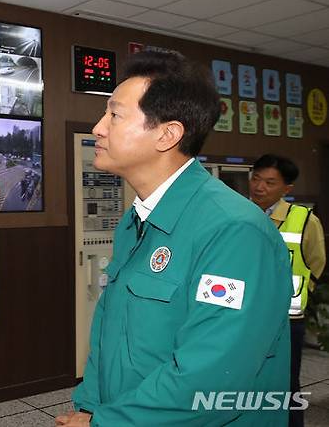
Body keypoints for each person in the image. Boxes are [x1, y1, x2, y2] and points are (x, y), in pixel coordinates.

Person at [56, 51, 292, 426]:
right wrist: (91, 406)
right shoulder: (135, 220)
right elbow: (109, 329)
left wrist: (105, 423)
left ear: (167, 134)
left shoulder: (233, 230)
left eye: (114, 115)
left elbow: (212, 377)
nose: (98, 128)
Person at [249, 154, 326, 427]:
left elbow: (316, 264)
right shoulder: (238, 213)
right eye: (256, 178)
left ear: (287, 189)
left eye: (270, 182)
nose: (259, 187)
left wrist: (299, 293)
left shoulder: (305, 220)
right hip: (243, 318)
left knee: (287, 385)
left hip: (285, 322)